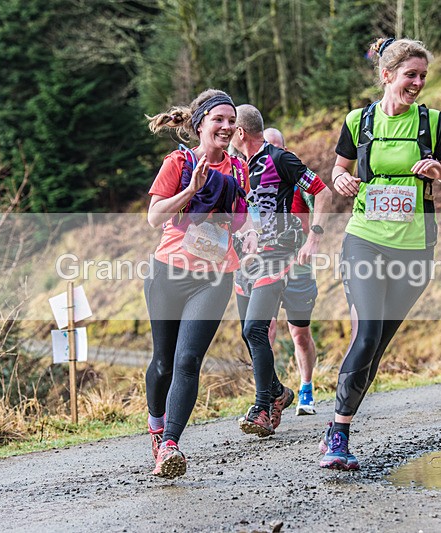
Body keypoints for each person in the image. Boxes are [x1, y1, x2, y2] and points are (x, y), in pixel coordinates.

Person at [321, 38, 441, 470]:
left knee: (377, 346)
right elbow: (339, 170)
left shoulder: (434, 124)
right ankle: (338, 435)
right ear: (387, 76)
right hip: (364, 239)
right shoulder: (358, 121)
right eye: (411, 75)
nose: (418, 83)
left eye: (423, 76)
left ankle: (341, 428)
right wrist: (341, 181)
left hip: (415, 248)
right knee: (366, 334)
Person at [144, 89, 252, 478]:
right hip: (168, 274)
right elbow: (155, 217)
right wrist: (191, 190)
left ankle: (171, 444)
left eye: (231, 120)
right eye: (218, 119)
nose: (226, 127)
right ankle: (157, 430)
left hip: (215, 276)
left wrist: (249, 229)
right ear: (200, 123)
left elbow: (241, 217)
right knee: (163, 363)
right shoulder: (179, 161)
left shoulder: (239, 169)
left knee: (188, 360)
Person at [230, 105, 331, 437]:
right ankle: (279, 393)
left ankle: (263, 406)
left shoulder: (279, 159)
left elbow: (322, 191)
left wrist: (313, 239)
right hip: (245, 261)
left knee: (258, 330)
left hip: (278, 256)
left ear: (240, 132)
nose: (226, 131)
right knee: (250, 332)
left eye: (230, 126)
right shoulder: (234, 168)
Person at [263, 127, 319, 416]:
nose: (271, 153)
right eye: (266, 146)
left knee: (299, 333)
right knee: (265, 331)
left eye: (277, 147)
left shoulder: (299, 179)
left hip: (298, 268)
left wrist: (312, 240)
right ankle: (270, 394)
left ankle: (306, 386)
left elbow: (321, 203)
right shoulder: (255, 182)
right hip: (266, 266)